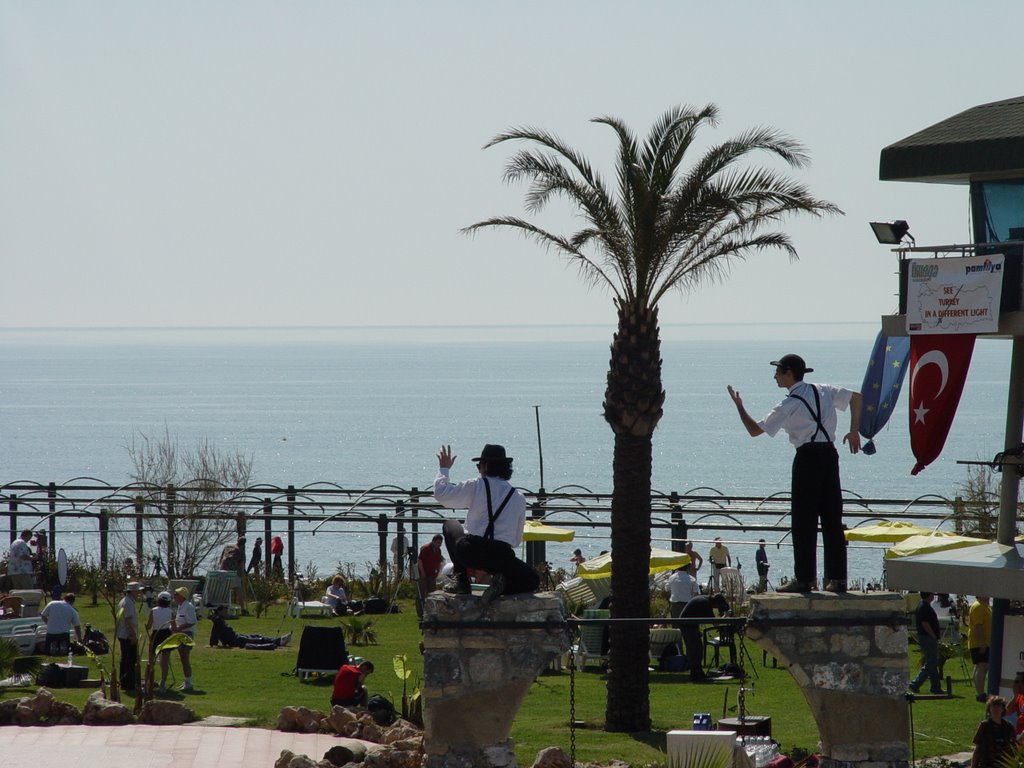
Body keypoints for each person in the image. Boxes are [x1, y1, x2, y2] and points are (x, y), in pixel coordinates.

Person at [727, 353, 861, 593]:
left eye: (778, 372)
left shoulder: (789, 404)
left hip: (807, 457)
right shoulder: (824, 389)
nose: (775, 376)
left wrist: (740, 408)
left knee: (803, 520)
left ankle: (805, 579)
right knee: (832, 519)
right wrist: (854, 431)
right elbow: (857, 398)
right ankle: (838, 579)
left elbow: (754, 430)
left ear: (789, 373)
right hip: (830, 455)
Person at [433, 443, 540, 603]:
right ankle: (502, 587)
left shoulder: (476, 485)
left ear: (485, 466)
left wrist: (444, 469)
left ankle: (462, 581)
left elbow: (442, 495)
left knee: (450, 524)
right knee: (532, 580)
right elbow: (516, 541)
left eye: (479, 465)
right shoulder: (518, 497)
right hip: (501, 556)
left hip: (471, 551)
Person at [679, 593, 730, 683]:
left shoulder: (705, 600)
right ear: (716, 603)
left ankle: (698, 672)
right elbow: (715, 623)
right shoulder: (706, 604)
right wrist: (724, 617)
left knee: (698, 648)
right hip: (687, 624)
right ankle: (695, 674)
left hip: (690, 624)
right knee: (694, 649)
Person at [208, 605, 291, 649]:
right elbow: (214, 633)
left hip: (236, 636)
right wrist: (213, 644)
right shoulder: (218, 621)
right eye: (224, 612)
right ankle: (278, 642)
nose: (226, 613)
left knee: (256, 636)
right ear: (219, 612)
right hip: (235, 641)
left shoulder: (219, 620)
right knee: (256, 640)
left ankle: (278, 640)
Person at [908, 592, 943, 695]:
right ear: (928, 596)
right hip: (927, 637)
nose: (933, 596)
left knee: (932, 662)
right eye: (932, 594)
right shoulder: (924, 607)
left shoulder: (924, 606)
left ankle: (935, 687)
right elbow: (925, 623)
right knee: (931, 662)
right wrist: (932, 634)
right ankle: (915, 683)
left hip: (927, 637)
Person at [971, 695, 1016, 768]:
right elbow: (977, 750)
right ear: (989, 709)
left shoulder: (1009, 727)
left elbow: (1014, 748)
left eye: (998, 706)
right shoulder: (984, 726)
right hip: (987, 765)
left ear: (1003, 709)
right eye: (993, 706)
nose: (996, 708)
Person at [115, 582, 144, 692]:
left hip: (125, 634)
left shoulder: (127, 601)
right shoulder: (128, 603)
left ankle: (125, 683)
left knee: (126, 659)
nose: (139, 593)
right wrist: (132, 635)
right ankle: (129, 684)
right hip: (127, 636)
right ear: (132, 591)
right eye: (138, 591)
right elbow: (127, 620)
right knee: (130, 660)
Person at [147, 590, 175, 693]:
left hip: (156, 634)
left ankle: (148, 682)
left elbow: (149, 626)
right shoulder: (170, 611)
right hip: (166, 634)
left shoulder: (153, 610)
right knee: (165, 661)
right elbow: (173, 626)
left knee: (151, 660)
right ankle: (162, 684)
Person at [171, 586, 197, 692]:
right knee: (182, 658)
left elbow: (192, 621)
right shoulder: (180, 606)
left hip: (187, 634)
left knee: (185, 658)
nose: (174, 596)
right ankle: (186, 681)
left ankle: (189, 682)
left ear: (181, 596)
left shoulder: (188, 606)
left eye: (176, 594)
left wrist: (179, 628)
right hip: (181, 634)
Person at [40, 592, 82, 656]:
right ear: (72, 602)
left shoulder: (52, 603)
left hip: (51, 633)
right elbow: (77, 626)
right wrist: (79, 639)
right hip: (64, 634)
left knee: (49, 649)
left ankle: (52, 648)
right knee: (64, 648)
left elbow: (43, 615)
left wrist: (48, 623)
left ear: (64, 598)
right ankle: (62, 648)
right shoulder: (73, 611)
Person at [969, 596, 992, 703]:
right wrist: (981, 643)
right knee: (982, 666)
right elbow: (977, 626)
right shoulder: (978, 606)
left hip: (985, 642)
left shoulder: (985, 607)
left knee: (980, 666)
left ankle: (979, 692)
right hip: (980, 643)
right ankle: (980, 693)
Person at [416, 534, 444, 617]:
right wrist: (423, 573)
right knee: (421, 593)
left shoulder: (438, 550)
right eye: (438, 542)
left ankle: (431, 611)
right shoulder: (425, 548)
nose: (439, 544)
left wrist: (438, 571)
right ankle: (420, 612)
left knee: (432, 594)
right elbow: (420, 561)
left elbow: (439, 561)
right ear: (433, 541)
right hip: (423, 575)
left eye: (440, 543)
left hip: (432, 574)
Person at [1004, 672, 1024, 742]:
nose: (1014, 684)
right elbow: (1007, 712)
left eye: (1016, 682)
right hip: (1020, 735)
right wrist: (1015, 695)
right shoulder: (1019, 697)